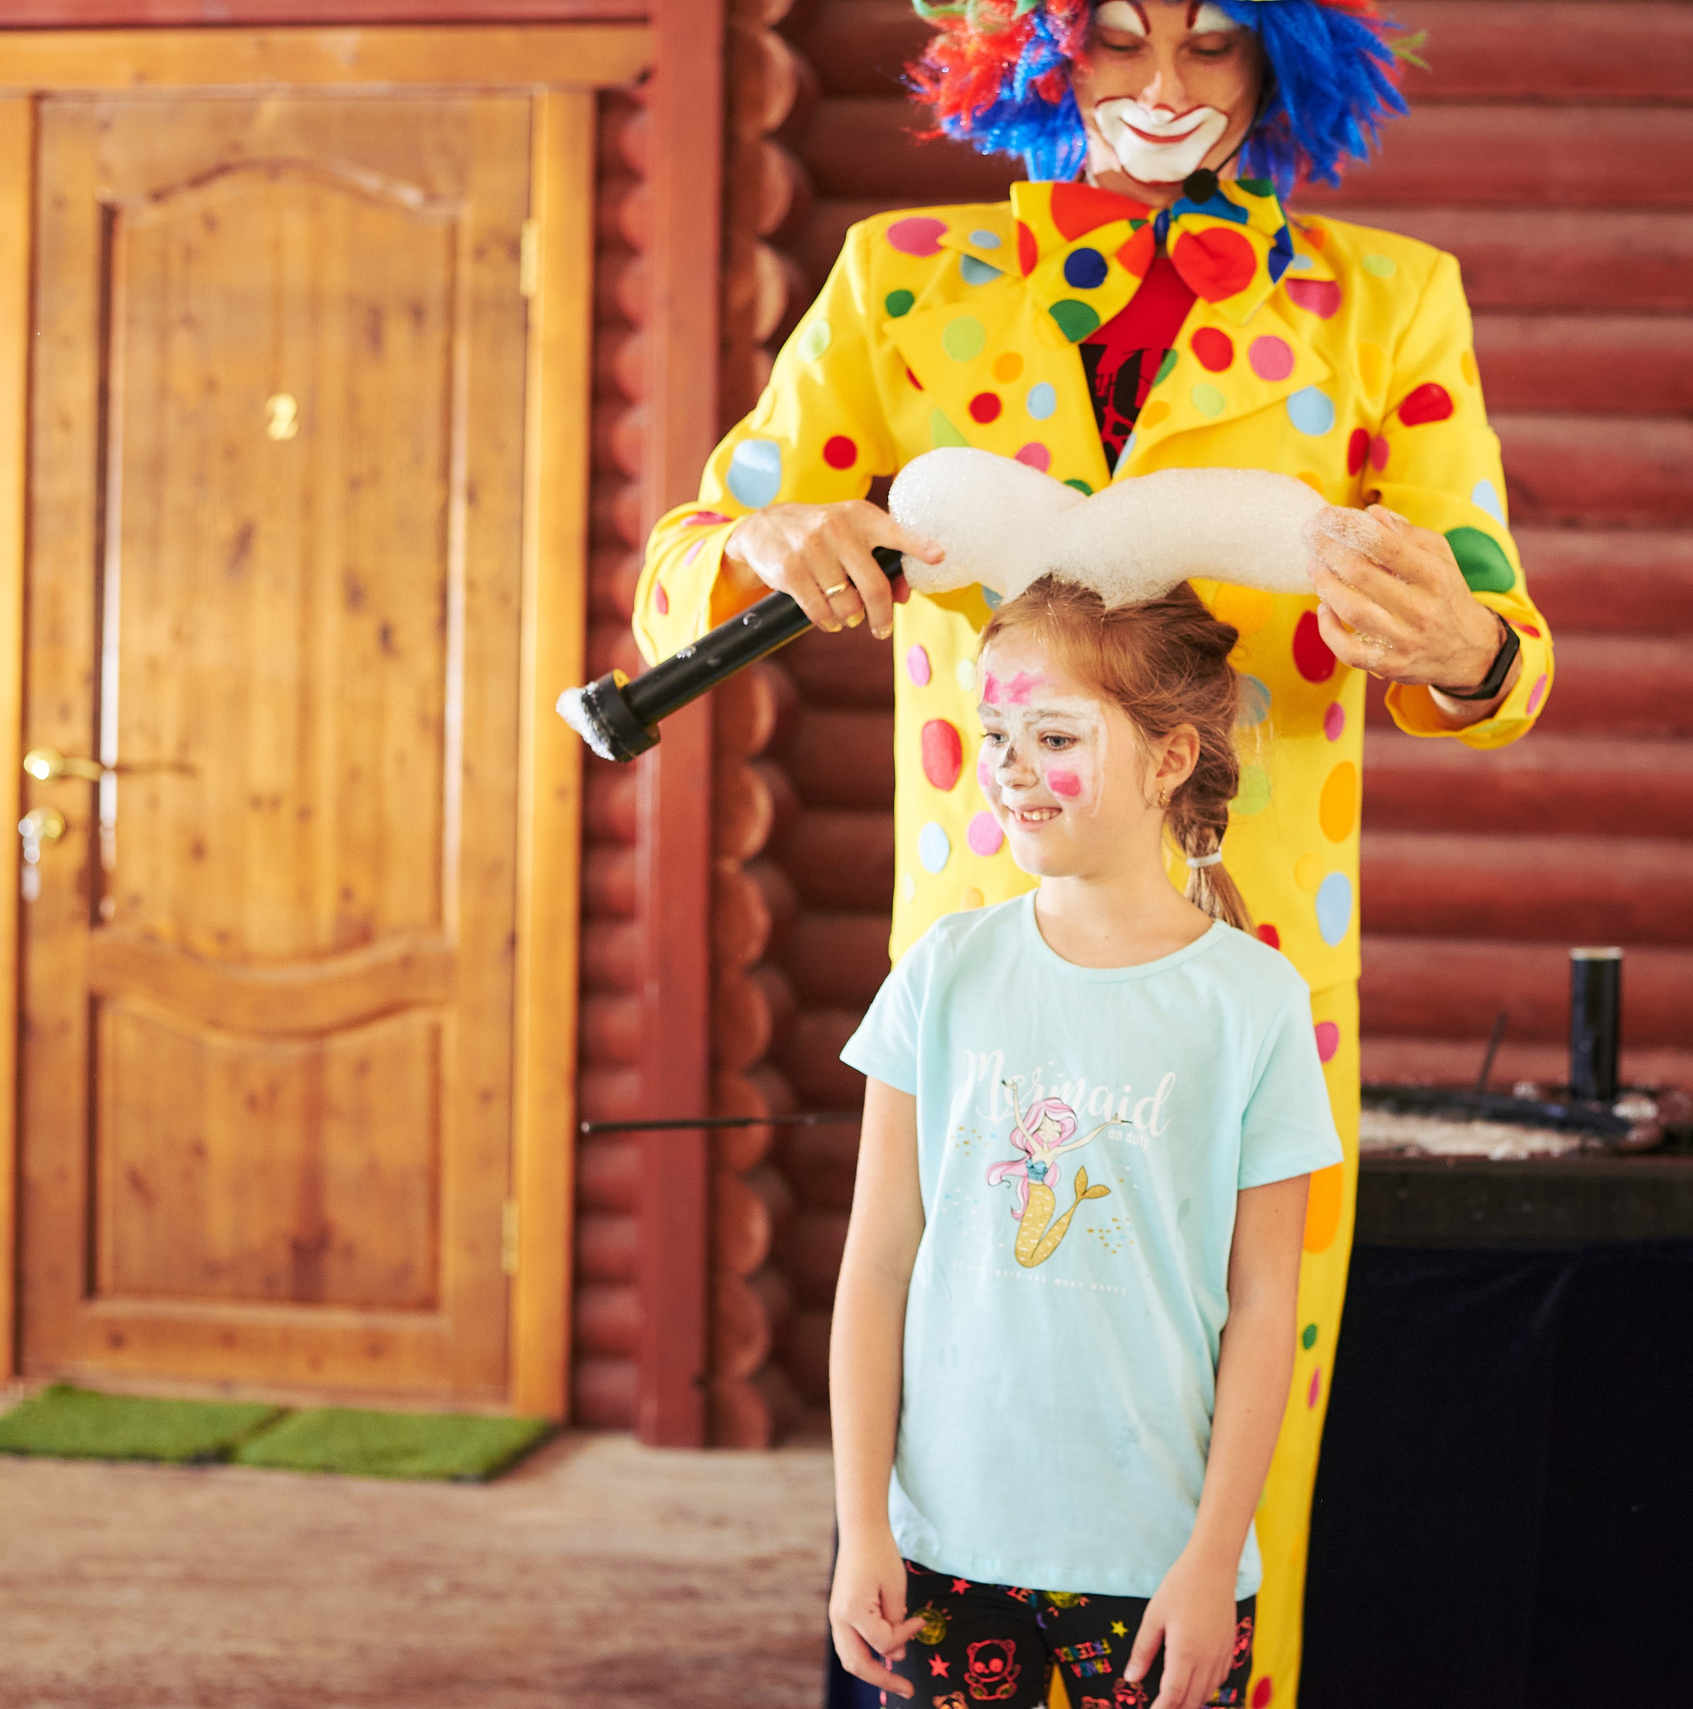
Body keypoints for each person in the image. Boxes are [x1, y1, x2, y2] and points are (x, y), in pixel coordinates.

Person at [638, 3, 1557, 1697]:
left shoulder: (1384, 302)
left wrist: (1462, 638)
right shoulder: (902, 278)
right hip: (987, 949)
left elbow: (1504, 640)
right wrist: (768, 537)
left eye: (1213, 46)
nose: (1159, 89)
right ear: (1033, 50)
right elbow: (687, 554)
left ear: (1288, 62)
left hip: (1258, 957)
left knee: (1226, 1378)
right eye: (1119, 37)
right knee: (955, 1344)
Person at [828, 576, 1340, 1709]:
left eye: (1053, 734)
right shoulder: (940, 975)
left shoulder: (1253, 1002)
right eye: (995, 731)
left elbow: (1265, 1306)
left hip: (1161, 1562)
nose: (1011, 765)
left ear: (1168, 760)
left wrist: (1213, 1555)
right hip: (944, 1549)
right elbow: (875, 1264)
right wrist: (861, 1523)